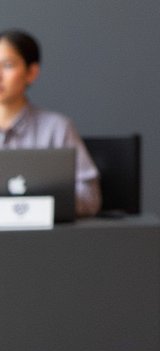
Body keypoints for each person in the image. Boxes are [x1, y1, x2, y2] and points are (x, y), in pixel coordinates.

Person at [0, 29, 101, 217]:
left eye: (7, 65)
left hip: (44, 241)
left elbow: (90, 197)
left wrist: (41, 206)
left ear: (31, 72)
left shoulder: (57, 128)